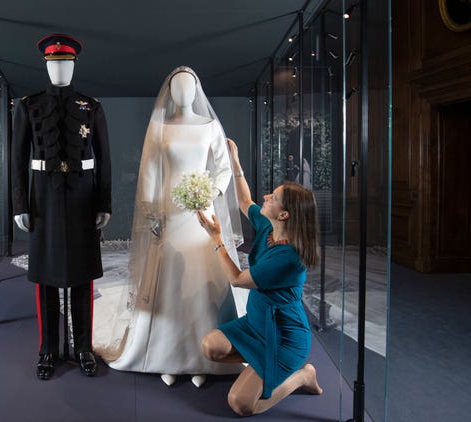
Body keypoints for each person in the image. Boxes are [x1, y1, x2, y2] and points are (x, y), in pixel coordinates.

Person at [94, 66, 245, 388]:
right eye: (176, 87)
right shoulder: (160, 128)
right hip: (168, 213)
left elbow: (222, 167)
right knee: (169, 282)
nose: (182, 93)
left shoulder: (210, 127)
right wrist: (151, 214)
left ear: (196, 90)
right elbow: (149, 171)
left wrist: (211, 192)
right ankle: (167, 357)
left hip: (201, 213)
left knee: (203, 281)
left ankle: (206, 358)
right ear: (170, 92)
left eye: (188, 86)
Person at [197, 139, 323, 415]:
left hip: (284, 337)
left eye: (273, 198)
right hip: (256, 325)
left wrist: (216, 239)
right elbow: (245, 201)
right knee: (211, 347)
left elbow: (237, 279)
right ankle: (262, 365)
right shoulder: (270, 226)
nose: (266, 197)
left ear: (285, 214)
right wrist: (236, 161)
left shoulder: (289, 256)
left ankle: (303, 375)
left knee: (241, 404)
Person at [11, 34, 111, 380]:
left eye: (65, 63)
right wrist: (20, 204)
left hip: (83, 199)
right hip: (44, 200)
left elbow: (104, 160)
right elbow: (17, 159)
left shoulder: (90, 106)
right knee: (47, 279)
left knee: (81, 277)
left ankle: (83, 347)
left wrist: (104, 202)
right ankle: (48, 349)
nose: (60, 69)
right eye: (54, 63)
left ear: (74, 65)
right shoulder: (28, 106)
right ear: (46, 65)